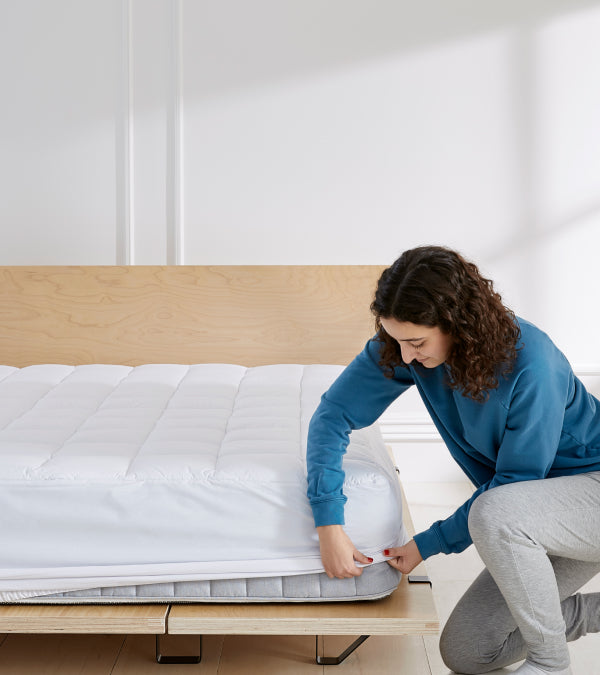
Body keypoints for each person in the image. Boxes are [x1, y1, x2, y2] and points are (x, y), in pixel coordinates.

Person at [306, 245, 600, 675]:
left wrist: (429, 543)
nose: (406, 356)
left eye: (416, 342)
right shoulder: (408, 348)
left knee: (495, 510)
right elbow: (332, 415)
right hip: (534, 514)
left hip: (587, 496)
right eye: (396, 340)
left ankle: (550, 664)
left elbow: (514, 487)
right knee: (468, 651)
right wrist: (328, 523)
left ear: (456, 323)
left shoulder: (532, 364)